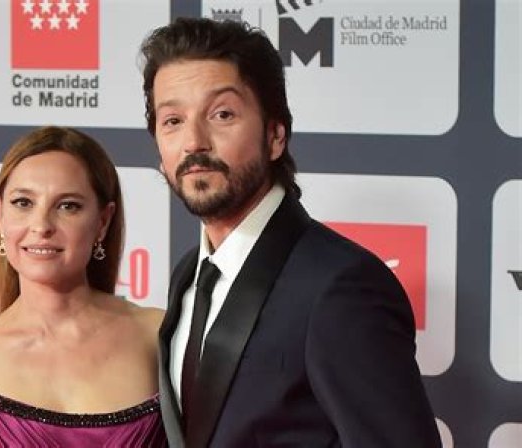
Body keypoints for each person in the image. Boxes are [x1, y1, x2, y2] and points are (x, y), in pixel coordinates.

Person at [140, 18, 442, 448]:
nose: (194, 142)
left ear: (275, 135)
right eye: (172, 120)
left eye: (222, 114)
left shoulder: (341, 286)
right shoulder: (188, 275)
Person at [0, 126, 167, 447]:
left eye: (68, 206)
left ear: (103, 221)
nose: (41, 226)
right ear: (0, 214)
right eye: (23, 203)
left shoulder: (157, 336)